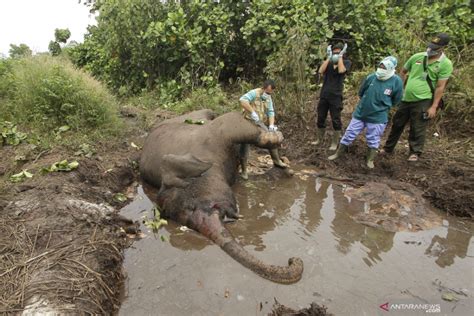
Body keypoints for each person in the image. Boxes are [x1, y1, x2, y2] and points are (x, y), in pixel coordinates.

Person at [382, 33, 453, 162]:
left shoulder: (445, 64)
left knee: (418, 126)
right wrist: (399, 89)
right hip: (406, 98)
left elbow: (440, 87)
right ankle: (388, 148)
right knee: (397, 124)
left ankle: (415, 152)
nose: (431, 50)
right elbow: (403, 71)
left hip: (424, 99)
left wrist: (433, 107)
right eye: (431, 47)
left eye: (435, 48)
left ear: (443, 48)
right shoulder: (417, 57)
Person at [328, 56, 403, 168]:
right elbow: (361, 92)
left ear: (391, 68)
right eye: (380, 66)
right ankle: (338, 153)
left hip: (378, 117)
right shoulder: (372, 77)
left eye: (384, 67)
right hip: (361, 113)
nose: (381, 69)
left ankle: (370, 160)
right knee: (349, 133)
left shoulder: (396, 81)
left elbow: (396, 100)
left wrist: (382, 105)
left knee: (373, 138)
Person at [239, 79, 287, 180]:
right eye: (267, 92)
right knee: (245, 145)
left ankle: (277, 161)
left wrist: (271, 125)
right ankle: (244, 171)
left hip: (258, 123)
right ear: (263, 88)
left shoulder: (268, 98)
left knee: (271, 139)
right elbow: (242, 100)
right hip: (247, 122)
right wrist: (252, 112)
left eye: (270, 93)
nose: (268, 94)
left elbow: (270, 112)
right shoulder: (254, 93)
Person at [314, 42, 351, 150]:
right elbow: (320, 71)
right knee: (320, 117)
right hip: (324, 94)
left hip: (336, 96)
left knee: (336, 119)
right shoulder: (328, 63)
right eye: (334, 53)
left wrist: (339, 57)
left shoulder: (346, 62)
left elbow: (341, 70)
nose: (335, 54)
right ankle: (319, 139)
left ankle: (335, 143)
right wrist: (328, 58)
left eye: (338, 53)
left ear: (342, 53)